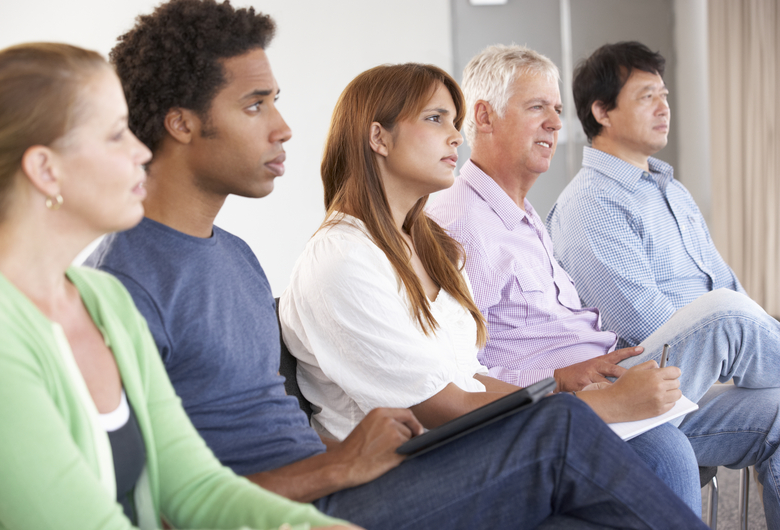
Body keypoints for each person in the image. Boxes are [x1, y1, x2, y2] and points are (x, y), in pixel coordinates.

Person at [84, 0, 707, 528]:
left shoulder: (234, 256)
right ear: (181, 123)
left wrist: (354, 454)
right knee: (570, 436)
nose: (283, 128)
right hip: (307, 505)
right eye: (255, 105)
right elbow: (148, 498)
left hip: (340, 479)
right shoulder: (122, 282)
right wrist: (339, 465)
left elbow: (279, 419)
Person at [279, 60, 708, 529]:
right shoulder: (342, 259)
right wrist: (606, 405)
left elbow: (470, 379)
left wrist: (565, 384)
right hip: (399, 476)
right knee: (595, 432)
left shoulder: (428, 245)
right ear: (378, 138)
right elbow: (442, 407)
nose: (455, 137)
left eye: (453, 121)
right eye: (435, 118)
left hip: (453, 451)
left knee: (651, 454)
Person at [0, 42, 350, 530]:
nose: (141, 150)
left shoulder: (103, 301)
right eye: (117, 136)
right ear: (47, 170)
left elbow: (195, 488)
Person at [428, 43, 780, 525]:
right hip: (580, 407)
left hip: (613, 376)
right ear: (484, 118)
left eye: (555, 109)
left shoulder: (525, 215)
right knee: (725, 316)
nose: (555, 122)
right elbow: (461, 369)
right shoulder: (457, 221)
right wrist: (563, 393)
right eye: (537, 108)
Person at [546, 41, 745, 349]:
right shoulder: (591, 203)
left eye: (663, 95)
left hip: (725, 357)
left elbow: (727, 288)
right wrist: (742, 349)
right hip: (673, 377)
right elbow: (654, 329)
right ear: (602, 112)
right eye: (647, 96)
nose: (663, 107)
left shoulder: (673, 191)